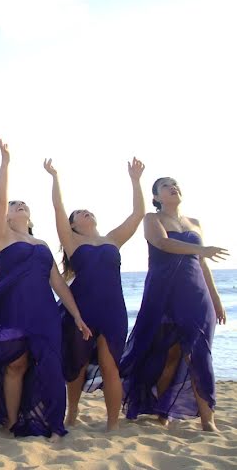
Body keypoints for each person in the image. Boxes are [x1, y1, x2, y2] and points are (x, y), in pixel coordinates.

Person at [0, 138, 91, 440]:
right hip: (12, 310)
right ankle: (13, 422)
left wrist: (77, 315)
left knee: (50, 365)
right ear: (8, 217)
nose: (18, 205)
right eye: (15, 205)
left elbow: (58, 283)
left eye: (22, 203)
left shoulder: (41, 245)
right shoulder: (1, 236)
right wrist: (5, 163)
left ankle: (54, 425)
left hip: (43, 312)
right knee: (15, 364)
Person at [120, 176, 229, 431]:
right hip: (163, 292)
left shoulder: (195, 223)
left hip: (195, 293)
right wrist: (201, 250)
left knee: (199, 354)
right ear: (156, 197)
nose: (173, 187)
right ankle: (162, 409)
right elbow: (163, 243)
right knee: (166, 354)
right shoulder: (152, 219)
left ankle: (207, 419)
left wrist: (216, 299)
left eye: (175, 184)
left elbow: (202, 264)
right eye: (166, 186)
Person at [43, 157, 145, 431]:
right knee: (75, 368)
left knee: (111, 365)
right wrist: (55, 177)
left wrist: (135, 181)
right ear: (73, 225)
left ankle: (112, 424)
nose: (85, 213)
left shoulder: (113, 239)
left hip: (113, 311)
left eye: (88, 211)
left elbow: (137, 215)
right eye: (80, 213)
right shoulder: (72, 241)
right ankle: (72, 410)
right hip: (83, 310)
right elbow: (58, 207)